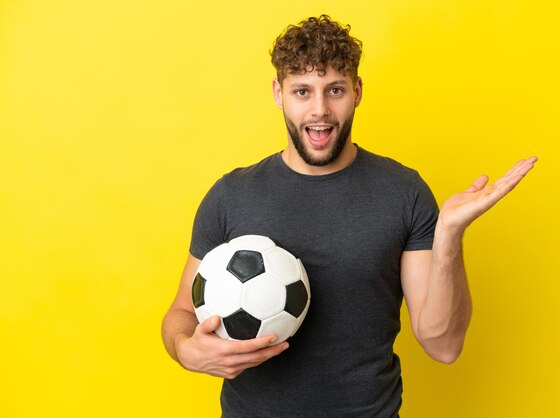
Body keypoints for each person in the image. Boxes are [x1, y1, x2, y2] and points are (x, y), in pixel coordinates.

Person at [161, 15, 537, 417]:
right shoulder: (230, 196)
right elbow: (181, 314)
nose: (319, 110)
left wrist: (449, 235)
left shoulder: (403, 193)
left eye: (334, 90)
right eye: (302, 91)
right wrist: (186, 348)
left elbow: (443, 346)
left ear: (357, 92)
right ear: (278, 93)